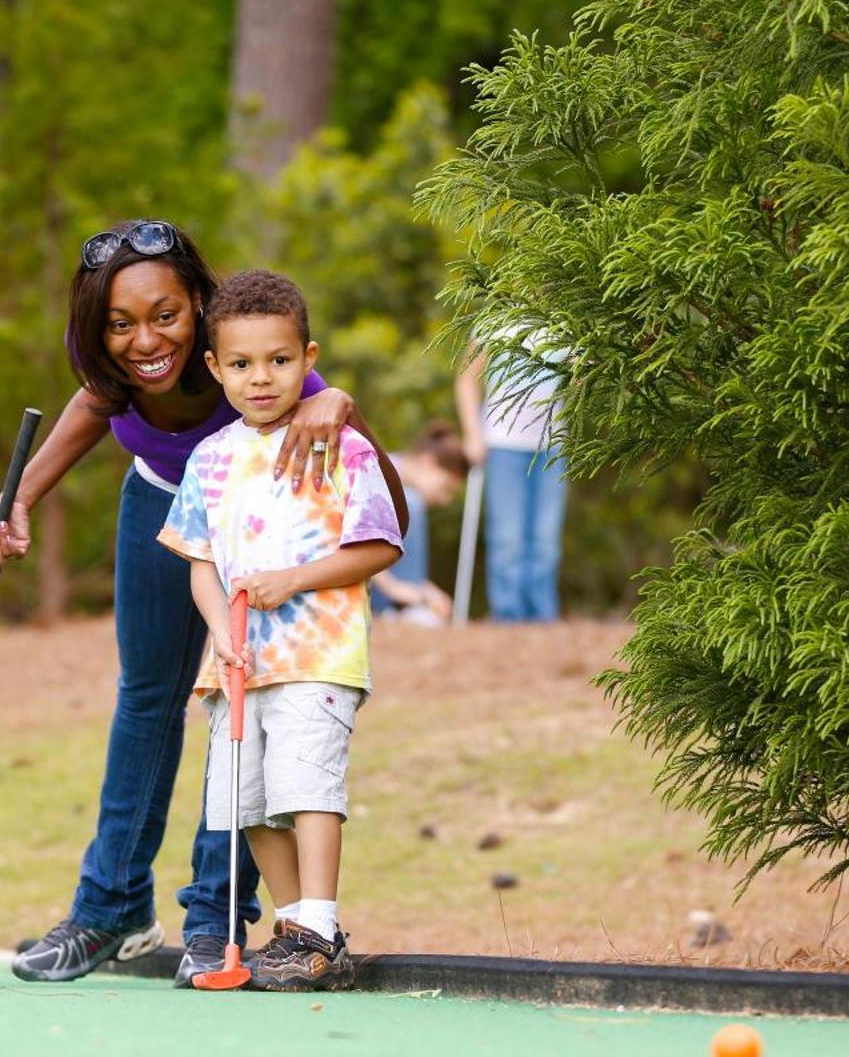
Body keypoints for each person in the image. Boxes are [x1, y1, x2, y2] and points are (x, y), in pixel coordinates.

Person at [0, 221, 405, 986]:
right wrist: (18, 499)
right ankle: (110, 912)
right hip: (161, 507)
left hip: (259, 533)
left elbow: (386, 506)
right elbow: (92, 406)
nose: (145, 339)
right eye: (120, 323)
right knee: (146, 698)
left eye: (165, 315)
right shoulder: (112, 363)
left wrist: (334, 398)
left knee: (238, 707)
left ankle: (215, 920)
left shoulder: (259, 365)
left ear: (200, 307)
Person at [159, 270, 402, 991]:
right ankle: (298, 933)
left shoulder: (341, 445)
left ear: (308, 355)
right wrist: (217, 630)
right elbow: (201, 563)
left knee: (305, 788)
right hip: (237, 660)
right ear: (214, 368)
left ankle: (320, 927)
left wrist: (292, 580)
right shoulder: (209, 459)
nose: (260, 378)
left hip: (317, 652)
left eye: (279, 360)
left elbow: (383, 544)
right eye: (240, 364)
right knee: (250, 802)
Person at [455, 332, 568, 622]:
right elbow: (467, 379)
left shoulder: (567, 323)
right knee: (508, 536)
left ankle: (542, 615)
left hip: (553, 445)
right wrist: (472, 433)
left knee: (546, 537)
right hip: (503, 442)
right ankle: (508, 614)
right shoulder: (494, 323)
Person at [369, 422, 471, 627]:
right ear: (427, 462)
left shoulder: (405, 488)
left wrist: (426, 591)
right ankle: (401, 608)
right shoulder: (378, 473)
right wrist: (395, 589)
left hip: (381, 583)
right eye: (446, 488)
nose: (445, 500)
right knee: (411, 503)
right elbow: (356, 536)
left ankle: (409, 606)